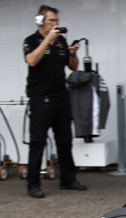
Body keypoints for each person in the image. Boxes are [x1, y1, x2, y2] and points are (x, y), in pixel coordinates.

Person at [23, 4, 86, 199]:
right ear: (40, 21)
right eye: (51, 20)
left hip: (60, 97)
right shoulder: (31, 41)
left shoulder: (61, 41)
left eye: (56, 21)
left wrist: (73, 53)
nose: (55, 24)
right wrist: (47, 41)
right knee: (37, 142)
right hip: (40, 98)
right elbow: (31, 60)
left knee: (65, 140)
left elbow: (73, 67)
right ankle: (33, 185)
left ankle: (68, 179)